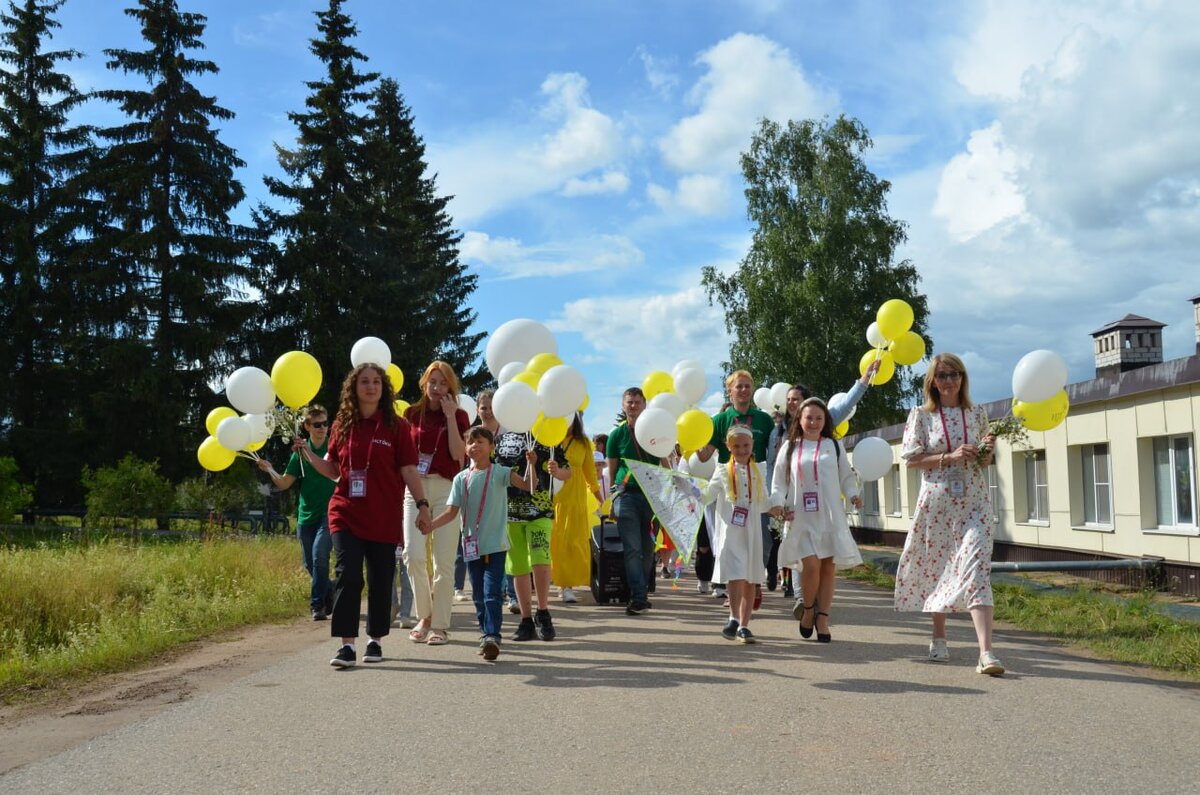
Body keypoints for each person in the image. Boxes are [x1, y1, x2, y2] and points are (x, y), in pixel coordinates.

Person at [295, 364, 431, 668]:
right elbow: (333, 471)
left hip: (383, 513)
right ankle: (346, 645)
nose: (371, 387)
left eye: (376, 382)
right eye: (364, 382)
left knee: (381, 579)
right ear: (354, 389)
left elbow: (409, 469)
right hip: (346, 511)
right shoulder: (343, 424)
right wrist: (307, 454)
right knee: (348, 574)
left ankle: (375, 641)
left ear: (383, 389)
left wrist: (422, 504)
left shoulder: (397, 426)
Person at [894, 353, 1003, 676]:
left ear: (963, 378)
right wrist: (949, 456)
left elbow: (985, 463)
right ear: (933, 381)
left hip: (974, 503)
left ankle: (986, 653)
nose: (949, 380)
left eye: (954, 374)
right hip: (937, 504)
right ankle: (938, 637)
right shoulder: (922, 415)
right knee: (938, 566)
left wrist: (985, 452)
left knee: (977, 568)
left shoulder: (977, 413)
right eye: (942, 375)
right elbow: (911, 459)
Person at [429, 427, 534, 660]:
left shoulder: (500, 472)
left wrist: (532, 465)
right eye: (470, 442)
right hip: (471, 546)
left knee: (491, 593)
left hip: (495, 546)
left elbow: (528, 486)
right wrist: (431, 525)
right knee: (477, 595)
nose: (474, 446)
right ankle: (484, 634)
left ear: (492, 447)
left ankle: (492, 635)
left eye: (480, 442)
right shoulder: (460, 478)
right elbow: (451, 512)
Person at [771, 397, 863, 643]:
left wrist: (853, 494)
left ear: (825, 421)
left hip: (830, 516)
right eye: (808, 417)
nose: (813, 422)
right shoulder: (789, 447)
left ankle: (823, 618)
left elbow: (846, 476)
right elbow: (779, 482)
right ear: (799, 420)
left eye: (818, 418)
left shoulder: (834, 446)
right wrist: (777, 503)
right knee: (810, 566)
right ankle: (809, 608)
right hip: (801, 516)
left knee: (827, 569)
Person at [402, 361, 471, 647]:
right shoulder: (410, 414)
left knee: (443, 560)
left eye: (443, 383)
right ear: (424, 383)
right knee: (413, 554)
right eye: (433, 382)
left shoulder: (461, 416)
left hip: (446, 487)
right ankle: (425, 616)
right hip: (415, 488)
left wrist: (451, 417)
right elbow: (404, 456)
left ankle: (440, 625)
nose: (437, 388)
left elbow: (459, 456)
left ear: (451, 387)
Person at [703, 426, 784, 643]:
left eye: (746, 445)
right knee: (735, 574)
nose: (741, 450)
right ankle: (733, 617)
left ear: (752, 446)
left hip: (752, 531)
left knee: (751, 577)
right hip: (731, 530)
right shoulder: (722, 471)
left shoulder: (758, 470)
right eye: (736, 446)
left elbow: (764, 502)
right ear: (729, 447)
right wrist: (688, 488)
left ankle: (744, 625)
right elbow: (707, 496)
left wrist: (777, 506)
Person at [257, 405, 336, 620]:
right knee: (309, 563)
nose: (322, 428)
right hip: (305, 515)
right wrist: (270, 469)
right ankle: (331, 589)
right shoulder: (298, 455)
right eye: (317, 425)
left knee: (320, 555)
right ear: (307, 427)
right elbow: (283, 484)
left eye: (325, 423)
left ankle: (317, 605)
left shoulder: (334, 448)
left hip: (330, 513)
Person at [496, 427, 567, 640]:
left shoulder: (549, 437)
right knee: (518, 566)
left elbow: (567, 471)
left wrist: (558, 472)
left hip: (541, 511)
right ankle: (526, 620)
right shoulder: (500, 440)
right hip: (509, 513)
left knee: (540, 559)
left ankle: (543, 612)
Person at [607, 387, 664, 615]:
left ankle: (640, 591)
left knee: (648, 549)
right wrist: (613, 498)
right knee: (632, 548)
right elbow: (612, 470)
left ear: (644, 405)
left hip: (652, 496)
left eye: (637, 402)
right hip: (626, 496)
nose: (633, 406)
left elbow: (665, 461)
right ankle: (638, 596)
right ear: (623, 405)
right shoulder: (616, 435)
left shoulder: (656, 431)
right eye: (629, 402)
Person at [551, 413, 601, 604]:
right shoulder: (550, 438)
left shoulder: (584, 443)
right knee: (555, 540)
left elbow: (590, 473)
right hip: (553, 498)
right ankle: (556, 581)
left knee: (572, 542)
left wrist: (599, 496)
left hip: (576, 498)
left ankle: (567, 585)